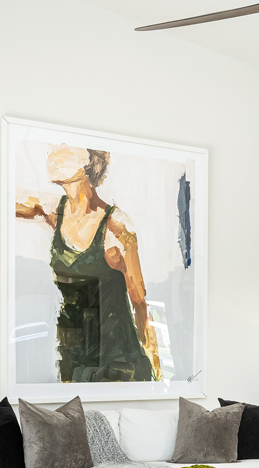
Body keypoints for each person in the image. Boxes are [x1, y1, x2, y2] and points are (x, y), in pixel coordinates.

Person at [16, 144, 160, 382]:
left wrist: (157, 367)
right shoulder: (55, 210)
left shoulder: (116, 225)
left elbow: (139, 301)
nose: (54, 150)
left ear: (88, 163)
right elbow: (3, 201)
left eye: (66, 148)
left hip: (116, 359)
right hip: (73, 354)